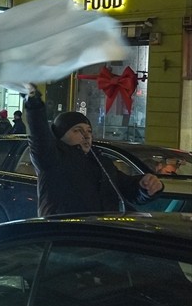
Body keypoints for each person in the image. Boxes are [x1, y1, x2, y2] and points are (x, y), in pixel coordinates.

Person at [23, 84, 162, 217]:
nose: (86, 135)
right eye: (77, 130)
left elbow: (129, 190)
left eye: (89, 131)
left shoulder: (102, 163)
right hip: (64, 231)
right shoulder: (52, 161)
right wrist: (34, 103)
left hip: (97, 231)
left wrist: (145, 187)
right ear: (60, 136)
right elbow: (39, 134)